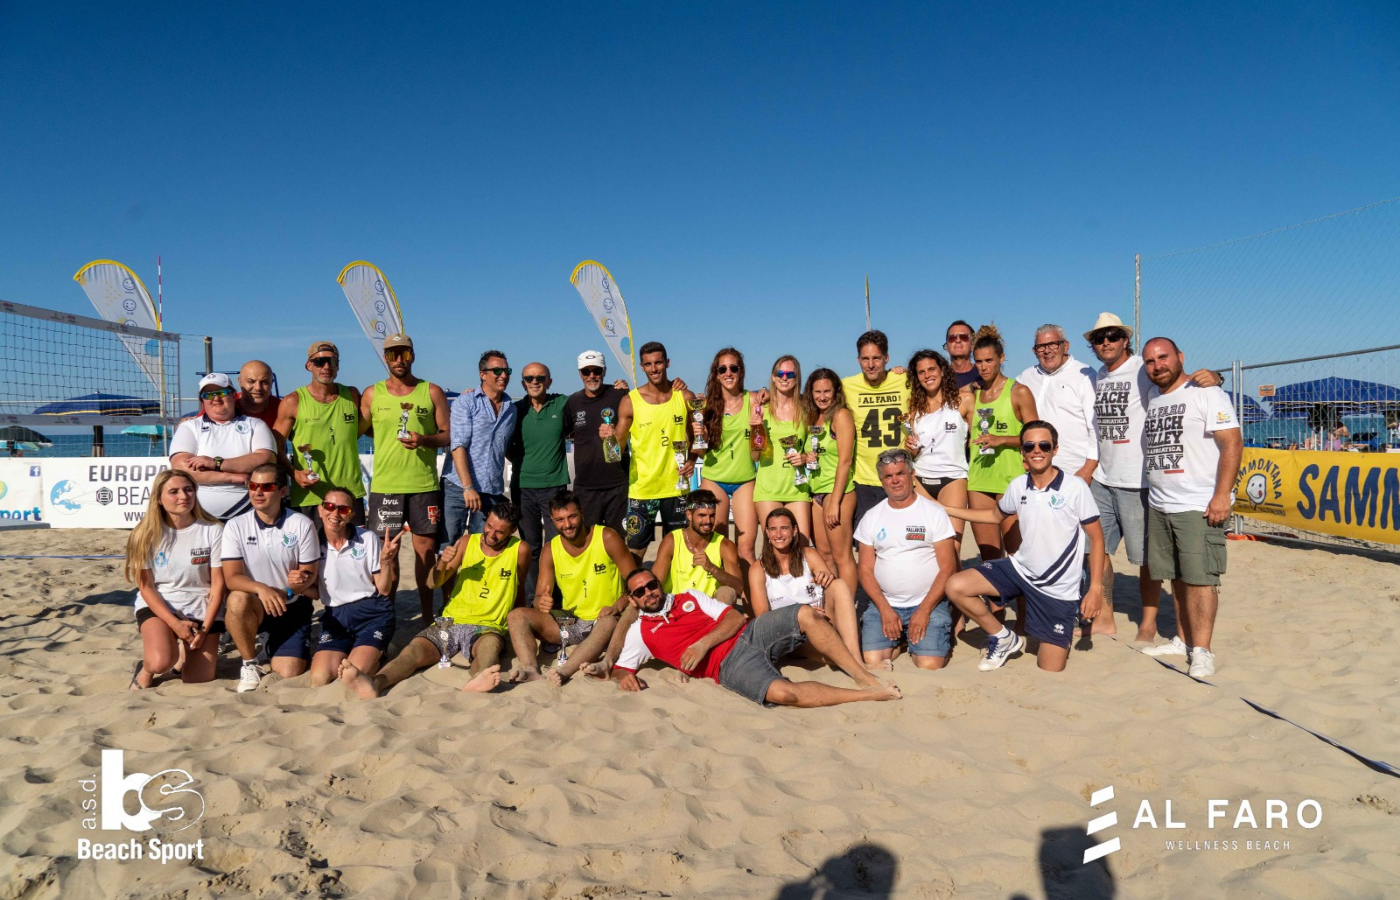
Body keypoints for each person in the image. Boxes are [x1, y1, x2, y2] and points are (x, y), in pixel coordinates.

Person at [1085, 313, 1222, 641]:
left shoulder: (1142, 369)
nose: (1106, 342)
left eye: (1113, 336)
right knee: (1097, 550)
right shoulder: (1096, 376)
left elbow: (1179, 382)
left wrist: (1215, 377)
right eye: (1099, 338)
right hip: (1102, 477)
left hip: (1138, 480)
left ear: (1124, 339)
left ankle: (1147, 622)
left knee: (1146, 558)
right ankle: (1105, 615)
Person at [942, 421, 1106, 672]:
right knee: (956, 586)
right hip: (1020, 570)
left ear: (1055, 449)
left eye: (1044, 445)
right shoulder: (1018, 485)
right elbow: (995, 516)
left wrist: (1094, 588)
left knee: (1051, 668)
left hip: (1057, 590)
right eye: (1029, 446)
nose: (1036, 450)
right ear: (1022, 452)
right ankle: (1004, 637)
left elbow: (1096, 539)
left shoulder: (1075, 487)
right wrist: (947, 510)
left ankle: (1053, 632)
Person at [610, 568, 902, 707]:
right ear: (632, 600)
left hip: (748, 633)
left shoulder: (689, 597)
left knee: (804, 613)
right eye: (640, 591)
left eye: (652, 585)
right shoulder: (641, 633)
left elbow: (736, 617)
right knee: (784, 695)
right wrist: (623, 677)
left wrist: (703, 643)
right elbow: (621, 667)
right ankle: (868, 694)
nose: (649, 592)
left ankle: (861, 674)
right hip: (729, 667)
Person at [338, 501, 527, 698]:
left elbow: (519, 588)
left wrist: (516, 628)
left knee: (490, 651)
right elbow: (432, 583)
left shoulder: (520, 550)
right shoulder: (467, 541)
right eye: (489, 526)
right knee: (413, 652)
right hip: (451, 620)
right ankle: (375, 683)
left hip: (488, 626)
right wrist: (442, 562)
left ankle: (479, 678)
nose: (491, 534)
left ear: (512, 531)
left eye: (499, 531)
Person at [1141, 337, 1243, 678]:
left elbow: (1232, 442)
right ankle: (1183, 639)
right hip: (1161, 503)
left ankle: (1202, 650)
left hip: (1197, 504)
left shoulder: (1208, 393)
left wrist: (1220, 495)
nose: (1158, 366)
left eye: (1164, 357)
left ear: (1180, 357)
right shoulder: (1154, 396)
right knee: (1178, 576)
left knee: (1201, 579)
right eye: (1151, 361)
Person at [360, 333, 452, 623]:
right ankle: (387, 619)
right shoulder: (372, 393)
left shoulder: (431, 391)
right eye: (392, 354)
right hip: (385, 486)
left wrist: (424, 439)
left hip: (424, 485)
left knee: (425, 555)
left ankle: (427, 618)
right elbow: (362, 428)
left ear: (413, 355)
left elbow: (448, 434)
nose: (399, 360)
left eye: (405, 354)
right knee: (388, 554)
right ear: (385, 358)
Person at [506, 491, 631, 683]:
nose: (567, 525)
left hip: (605, 619)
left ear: (581, 512)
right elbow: (539, 598)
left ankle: (564, 672)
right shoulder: (550, 549)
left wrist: (617, 606)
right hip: (572, 622)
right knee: (516, 616)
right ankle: (530, 668)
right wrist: (542, 602)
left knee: (608, 622)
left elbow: (637, 584)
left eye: (572, 516)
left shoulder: (606, 536)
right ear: (552, 520)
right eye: (560, 520)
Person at [854, 449, 960, 671]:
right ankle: (903, 639)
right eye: (888, 476)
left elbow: (948, 567)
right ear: (881, 481)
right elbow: (864, 569)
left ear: (912, 476)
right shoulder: (871, 516)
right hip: (886, 603)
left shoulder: (934, 513)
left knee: (929, 664)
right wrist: (884, 609)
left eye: (900, 474)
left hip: (928, 603)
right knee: (873, 661)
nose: (895, 480)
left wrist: (923, 611)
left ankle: (918, 640)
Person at [221, 464, 321, 692]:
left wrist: (291, 587)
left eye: (266, 487)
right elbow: (232, 578)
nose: (257, 492)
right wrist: (262, 589)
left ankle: (270, 645)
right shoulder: (236, 525)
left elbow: (309, 574)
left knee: (288, 673)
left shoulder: (302, 524)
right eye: (253, 486)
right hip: (256, 604)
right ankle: (249, 663)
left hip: (291, 605)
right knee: (237, 598)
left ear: (282, 491)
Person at [125, 470, 225, 689]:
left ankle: (182, 653)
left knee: (197, 679)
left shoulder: (213, 530)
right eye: (174, 491)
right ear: (159, 499)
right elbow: (146, 587)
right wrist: (175, 624)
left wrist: (205, 629)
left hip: (201, 605)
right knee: (161, 662)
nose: (183, 496)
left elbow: (218, 585)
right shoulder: (145, 533)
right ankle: (146, 667)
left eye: (188, 489)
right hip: (162, 604)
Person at [306, 489, 405, 688]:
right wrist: (298, 585)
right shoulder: (311, 543)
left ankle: (383, 650)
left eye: (343, 509)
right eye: (330, 507)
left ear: (351, 514)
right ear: (320, 509)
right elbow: (315, 592)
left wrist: (385, 561)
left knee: (354, 674)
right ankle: (369, 649)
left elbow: (384, 590)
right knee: (319, 678)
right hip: (336, 616)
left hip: (372, 612)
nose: (335, 514)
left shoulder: (367, 538)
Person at [610, 341, 695, 558]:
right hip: (643, 490)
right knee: (636, 551)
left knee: (679, 551)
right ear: (642, 367)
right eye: (648, 364)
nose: (654, 368)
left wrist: (692, 459)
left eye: (658, 362)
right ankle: (634, 592)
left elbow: (698, 437)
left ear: (667, 363)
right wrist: (609, 439)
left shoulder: (684, 397)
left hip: (677, 488)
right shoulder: (630, 401)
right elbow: (614, 452)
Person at [274, 340, 367, 529]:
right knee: (310, 556)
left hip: (350, 493)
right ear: (309, 366)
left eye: (332, 362)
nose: (326, 367)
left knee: (354, 554)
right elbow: (274, 446)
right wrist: (294, 473)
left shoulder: (352, 394)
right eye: (319, 362)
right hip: (310, 496)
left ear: (338, 366)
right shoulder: (293, 401)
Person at [749, 508, 861, 662]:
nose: (779, 534)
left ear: (794, 530)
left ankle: (857, 660)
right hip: (790, 634)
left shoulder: (809, 555)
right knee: (835, 654)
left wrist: (827, 577)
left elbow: (830, 584)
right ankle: (854, 660)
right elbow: (763, 617)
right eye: (773, 529)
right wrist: (801, 615)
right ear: (767, 533)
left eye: (784, 528)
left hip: (825, 622)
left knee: (839, 584)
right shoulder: (758, 568)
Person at [966, 325, 1038, 561]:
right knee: (989, 555)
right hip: (978, 479)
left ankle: (1025, 599)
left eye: (989, 360)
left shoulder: (1019, 392)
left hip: (1011, 480)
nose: (984, 367)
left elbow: (1037, 438)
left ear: (1001, 358)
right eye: (978, 362)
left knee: (1017, 554)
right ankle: (996, 600)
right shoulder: (972, 394)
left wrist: (1002, 440)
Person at [170, 372, 278, 521]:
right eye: (208, 395)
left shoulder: (255, 424)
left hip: (248, 511)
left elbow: (265, 459)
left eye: (221, 392)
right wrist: (232, 477)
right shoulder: (189, 427)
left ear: (234, 395)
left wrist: (215, 463)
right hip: (200, 514)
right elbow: (181, 469)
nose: (216, 399)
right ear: (202, 400)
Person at [507, 362, 570, 600]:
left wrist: (616, 388)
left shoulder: (562, 403)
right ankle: (535, 599)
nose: (535, 381)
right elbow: (504, 445)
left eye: (540, 377)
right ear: (523, 382)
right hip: (523, 488)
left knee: (556, 547)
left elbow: (590, 398)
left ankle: (555, 597)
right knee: (531, 547)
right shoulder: (515, 410)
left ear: (549, 381)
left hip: (555, 486)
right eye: (529, 378)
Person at [695, 348, 760, 564]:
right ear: (716, 374)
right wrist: (701, 438)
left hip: (745, 480)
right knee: (717, 547)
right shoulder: (705, 407)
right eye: (722, 369)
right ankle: (721, 597)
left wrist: (766, 391)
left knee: (746, 549)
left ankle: (750, 597)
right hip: (714, 479)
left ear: (741, 372)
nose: (728, 373)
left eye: (734, 368)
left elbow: (782, 398)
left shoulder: (753, 400)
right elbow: (701, 451)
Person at [905, 349, 973, 554]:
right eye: (922, 372)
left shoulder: (965, 400)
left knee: (951, 549)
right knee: (926, 549)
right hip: (921, 480)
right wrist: (911, 449)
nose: (928, 375)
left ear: (943, 370)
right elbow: (915, 453)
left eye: (932, 369)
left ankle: (955, 586)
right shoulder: (914, 408)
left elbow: (975, 442)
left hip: (953, 478)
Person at [445, 350, 517, 543]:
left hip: (490, 490)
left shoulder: (512, 409)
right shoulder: (465, 401)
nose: (504, 375)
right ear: (482, 374)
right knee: (448, 550)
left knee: (481, 549)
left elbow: (506, 446)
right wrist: (468, 487)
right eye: (497, 370)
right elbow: (458, 445)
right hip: (458, 487)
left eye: (507, 370)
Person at [843, 330, 911, 529]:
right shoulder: (847, 385)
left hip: (900, 475)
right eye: (865, 359)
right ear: (858, 360)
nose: (871, 364)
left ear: (887, 358)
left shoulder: (906, 380)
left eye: (876, 358)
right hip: (865, 480)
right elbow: (813, 395)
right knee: (868, 544)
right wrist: (765, 395)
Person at [1018, 324, 1099, 484]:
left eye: (1053, 344)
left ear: (1065, 346)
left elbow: (1095, 427)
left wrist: (1088, 468)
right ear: (1034, 351)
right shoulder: (1026, 377)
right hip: (1036, 473)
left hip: (1075, 472)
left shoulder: (1085, 375)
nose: (1047, 351)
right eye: (1041, 347)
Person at [803, 368, 858, 592]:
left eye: (827, 391)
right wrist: (808, 458)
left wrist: (834, 501)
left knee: (842, 556)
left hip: (839, 492)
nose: (822, 396)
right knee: (824, 554)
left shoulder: (840, 415)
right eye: (817, 392)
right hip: (816, 492)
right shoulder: (814, 417)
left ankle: (848, 610)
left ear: (836, 392)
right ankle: (834, 602)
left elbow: (845, 461)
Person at [563, 350, 630, 535]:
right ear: (580, 374)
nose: (592, 375)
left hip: (617, 483)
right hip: (586, 486)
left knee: (617, 538)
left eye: (596, 370)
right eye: (586, 371)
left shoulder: (620, 394)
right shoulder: (573, 402)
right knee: (587, 538)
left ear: (604, 371)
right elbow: (562, 433)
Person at [754, 355, 813, 539]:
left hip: (798, 488)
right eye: (780, 373)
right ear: (773, 376)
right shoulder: (761, 408)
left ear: (797, 378)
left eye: (790, 374)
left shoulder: (806, 408)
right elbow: (755, 456)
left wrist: (804, 458)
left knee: (801, 545)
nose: (784, 377)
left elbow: (814, 447)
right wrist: (756, 429)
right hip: (768, 489)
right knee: (774, 547)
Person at [652, 490, 745, 606]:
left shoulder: (725, 545)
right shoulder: (672, 540)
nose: (708, 521)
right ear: (689, 515)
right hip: (675, 608)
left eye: (712, 515)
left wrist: (712, 568)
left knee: (727, 593)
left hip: (709, 611)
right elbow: (654, 583)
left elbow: (739, 588)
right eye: (702, 515)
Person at [235, 360, 281, 434]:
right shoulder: (228, 405)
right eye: (251, 381)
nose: (258, 388)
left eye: (264, 382)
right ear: (240, 382)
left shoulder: (281, 408)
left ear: (271, 383)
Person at [944, 320, 980, 389]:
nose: (958, 341)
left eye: (964, 337)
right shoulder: (939, 376)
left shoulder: (983, 373)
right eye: (952, 338)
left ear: (972, 345)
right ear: (947, 347)